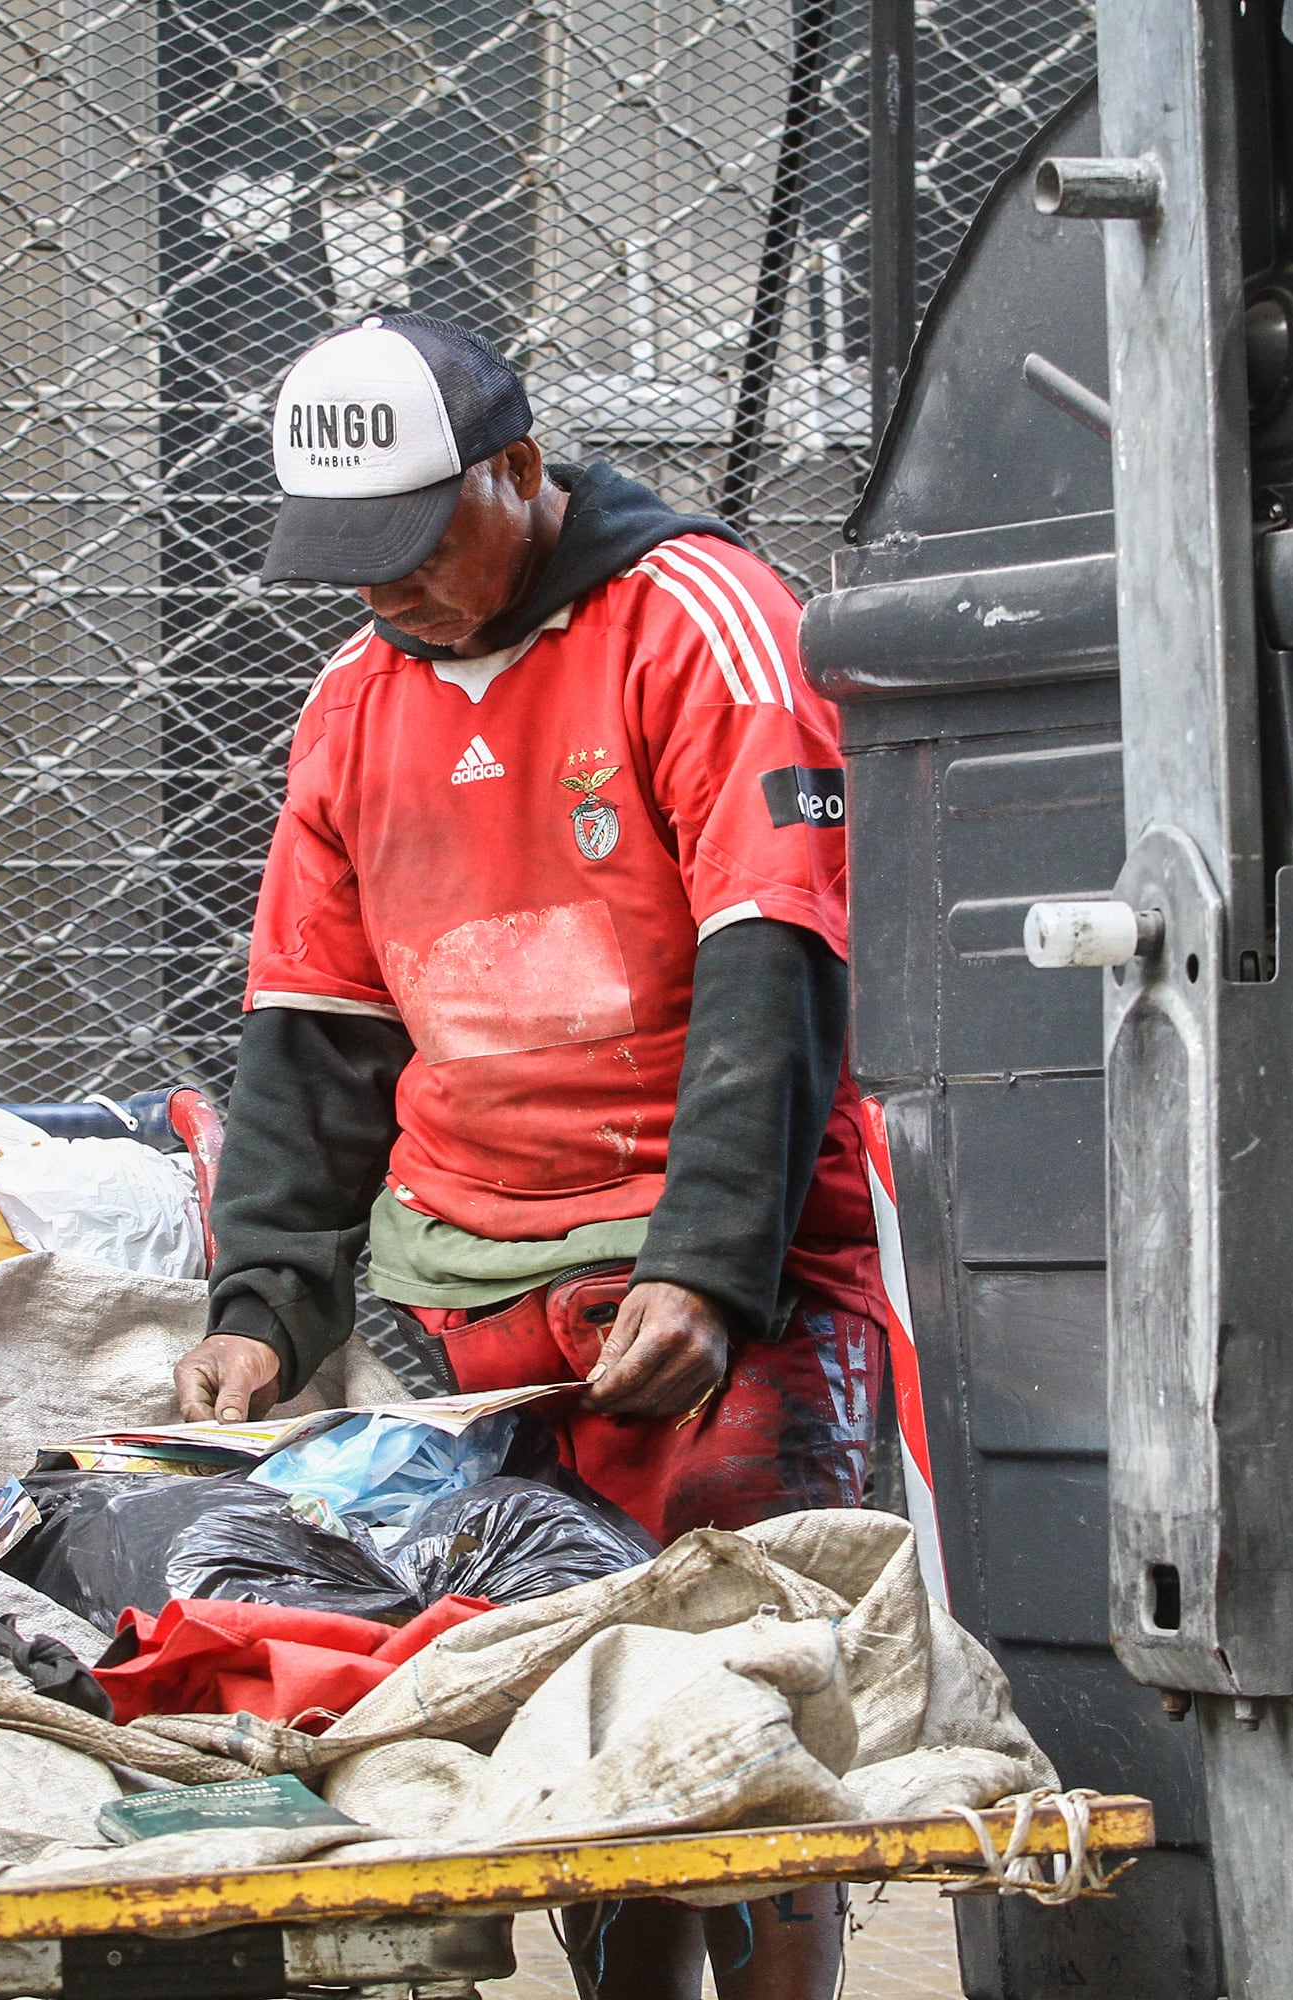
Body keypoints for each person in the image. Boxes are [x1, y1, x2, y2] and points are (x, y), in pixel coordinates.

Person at [171, 311, 886, 2000]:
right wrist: (263, 1301)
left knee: (746, 1691)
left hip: (710, 1260)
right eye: (350, 564)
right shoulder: (353, 704)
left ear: (515, 469)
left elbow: (772, 954)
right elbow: (314, 1029)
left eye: (413, 548)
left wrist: (708, 1267)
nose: (383, 591)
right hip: (471, 1283)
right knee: (556, 1712)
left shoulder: (701, 619)